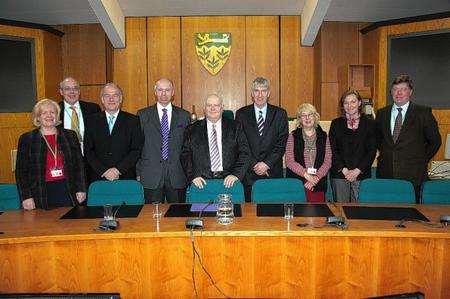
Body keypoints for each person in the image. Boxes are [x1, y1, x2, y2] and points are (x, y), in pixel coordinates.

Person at [376, 75, 441, 203]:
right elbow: (378, 140)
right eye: (395, 89)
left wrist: (421, 160)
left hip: (414, 177)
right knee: (386, 214)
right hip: (386, 175)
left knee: (412, 216)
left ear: (410, 92)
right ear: (391, 92)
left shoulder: (423, 113)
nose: (399, 93)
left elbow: (435, 142)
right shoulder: (382, 113)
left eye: (403, 89)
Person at [15, 99, 87, 210]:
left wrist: (81, 188)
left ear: (57, 116)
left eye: (52, 112)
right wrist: (26, 196)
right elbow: (21, 171)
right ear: (38, 117)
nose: (49, 115)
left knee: (68, 224)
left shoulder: (70, 135)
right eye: (44, 113)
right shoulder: (27, 138)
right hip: (39, 191)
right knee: (42, 225)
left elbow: (79, 165)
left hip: (67, 189)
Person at [137, 78, 190, 203]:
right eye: (160, 90)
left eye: (167, 90)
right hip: (150, 174)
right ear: (155, 92)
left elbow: (188, 147)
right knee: (151, 217)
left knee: (177, 217)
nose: (164, 94)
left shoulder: (184, 116)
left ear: (173, 93)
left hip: (177, 174)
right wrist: (138, 172)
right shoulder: (143, 115)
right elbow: (137, 146)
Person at [181, 94, 250, 189]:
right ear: (204, 109)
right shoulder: (192, 129)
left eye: (216, 105)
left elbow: (245, 153)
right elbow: (185, 155)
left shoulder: (235, 127)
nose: (212, 108)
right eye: (209, 105)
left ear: (222, 108)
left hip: (229, 182)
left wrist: (236, 175)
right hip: (201, 183)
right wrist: (193, 176)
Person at [236, 77, 288, 202]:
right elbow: (240, 143)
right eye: (256, 91)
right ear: (252, 94)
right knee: (248, 214)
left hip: (272, 172)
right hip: (248, 173)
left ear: (268, 93)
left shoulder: (280, 113)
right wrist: (254, 164)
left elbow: (282, 142)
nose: (260, 95)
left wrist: (266, 164)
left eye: (263, 91)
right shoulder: (241, 114)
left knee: (272, 213)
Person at [84, 83, 144, 183]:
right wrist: (104, 171)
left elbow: (136, 150)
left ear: (120, 99)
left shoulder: (133, 120)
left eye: (115, 95)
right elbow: (88, 150)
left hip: (125, 176)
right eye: (107, 96)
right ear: (102, 99)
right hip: (98, 177)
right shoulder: (91, 121)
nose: (111, 99)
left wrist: (117, 170)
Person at [329, 90, 377, 202]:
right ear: (342, 105)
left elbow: (371, 151)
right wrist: (344, 170)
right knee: (340, 211)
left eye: (353, 102)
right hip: (340, 175)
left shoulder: (370, 123)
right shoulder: (336, 124)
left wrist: (357, 171)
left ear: (359, 103)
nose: (349, 106)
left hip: (361, 174)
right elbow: (332, 149)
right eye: (346, 103)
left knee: (359, 213)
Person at [285, 103, 332, 202]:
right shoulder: (292, 136)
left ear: (315, 117)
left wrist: (316, 178)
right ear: (299, 119)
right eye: (303, 115)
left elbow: (328, 161)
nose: (307, 118)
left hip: (318, 183)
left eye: (310, 114)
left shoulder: (324, 136)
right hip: (298, 183)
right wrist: (307, 175)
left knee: (317, 214)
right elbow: (289, 161)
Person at [58, 77, 101, 147]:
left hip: (87, 155)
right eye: (67, 89)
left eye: (75, 88)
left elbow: (99, 135)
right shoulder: (55, 111)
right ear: (61, 92)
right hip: (65, 154)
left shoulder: (93, 109)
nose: (72, 92)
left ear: (79, 91)